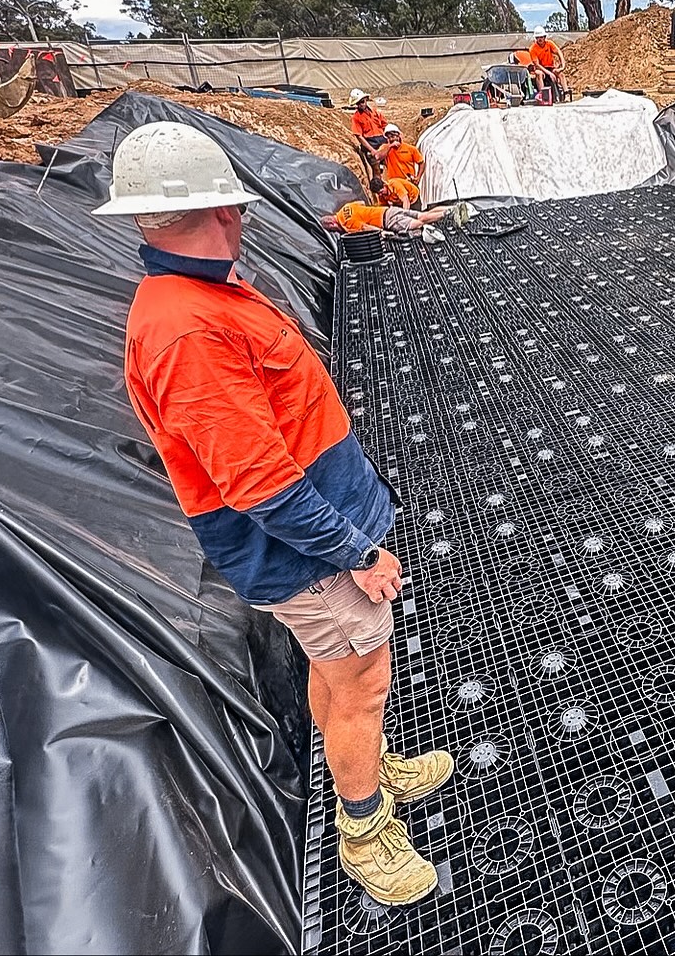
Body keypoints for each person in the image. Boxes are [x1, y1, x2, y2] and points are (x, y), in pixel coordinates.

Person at [92, 122, 451, 908]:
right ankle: (366, 832)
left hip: (316, 538)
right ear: (225, 209)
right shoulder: (188, 327)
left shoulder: (197, 292)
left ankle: (372, 767)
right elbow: (258, 485)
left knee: (339, 672)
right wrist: (358, 553)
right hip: (311, 556)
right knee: (362, 681)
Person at [324, 197, 448, 243]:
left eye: (332, 229)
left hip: (387, 220)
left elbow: (365, 228)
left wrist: (382, 233)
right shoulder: (346, 208)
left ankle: (447, 214)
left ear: (332, 223)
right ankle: (452, 208)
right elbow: (362, 202)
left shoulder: (347, 223)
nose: (335, 231)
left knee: (418, 223)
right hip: (388, 210)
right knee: (422, 215)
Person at [349, 90, 388, 180]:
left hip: (382, 140)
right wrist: (372, 150)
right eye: (358, 103)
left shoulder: (376, 112)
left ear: (366, 100)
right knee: (376, 169)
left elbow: (385, 126)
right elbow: (359, 136)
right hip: (370, 142)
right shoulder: (356, 117)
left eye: (362, 102)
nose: (361, 105)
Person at [379, 124, 425, 190]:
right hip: (394, 185)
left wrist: (418, 177)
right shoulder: (385, 148)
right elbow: (378, 157)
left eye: (393, 136)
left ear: (399, 136)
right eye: (389, 137)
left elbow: (421, 162)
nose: (391, 139)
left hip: (409, 183)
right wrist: (390, 146)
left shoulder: (411, 149)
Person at [528, 27, 567, 100]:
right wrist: (549, 74)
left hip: (550, 67)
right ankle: (543, 95)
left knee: (561, 74)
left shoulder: (549, 44)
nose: (540, 39)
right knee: (539, 74)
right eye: (538, 37)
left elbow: (559, 52)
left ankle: (566, 93)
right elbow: (537, 65)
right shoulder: (532, 49)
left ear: (544, 37)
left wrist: (562, 66)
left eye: (541, 37)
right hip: (541, 68)